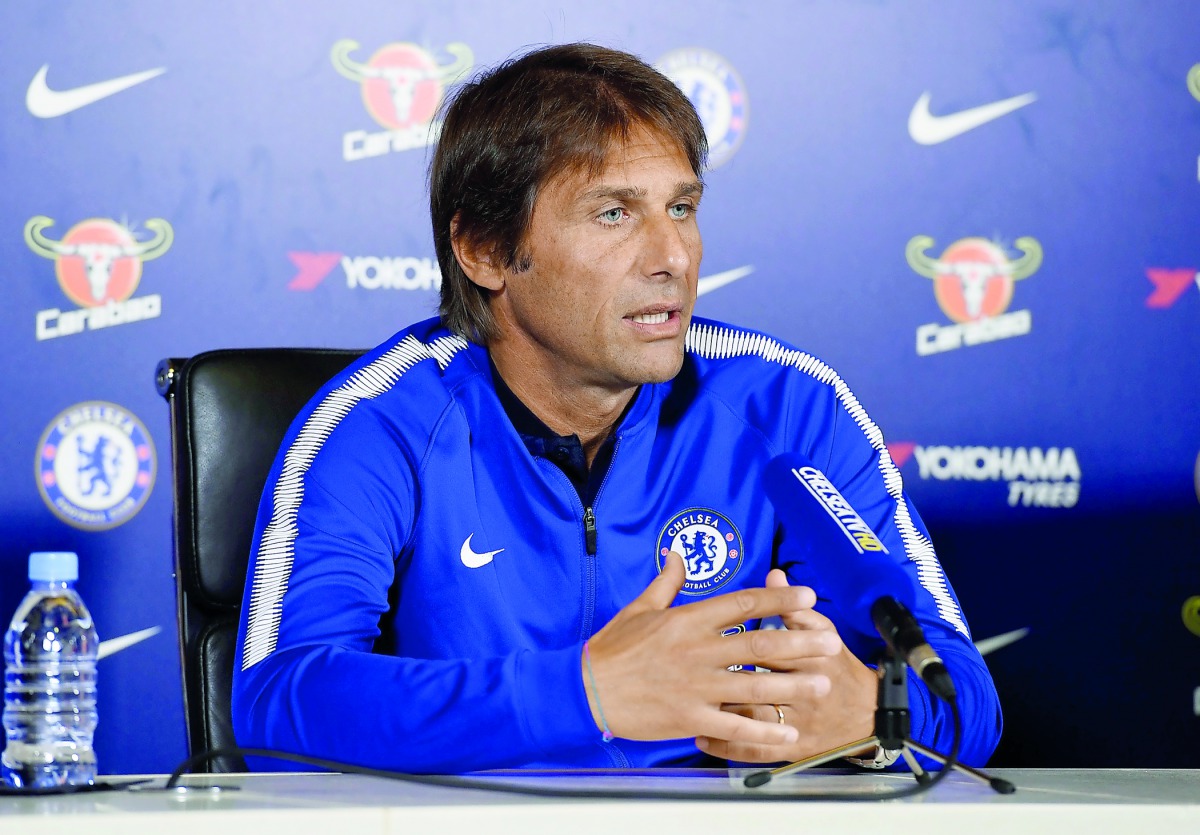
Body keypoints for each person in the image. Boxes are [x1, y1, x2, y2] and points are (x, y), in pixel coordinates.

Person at [232, 43, 1001, 773]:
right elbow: (277, 701)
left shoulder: (791, 405)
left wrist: (872, 717)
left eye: (682, 207)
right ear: (485, 251)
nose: (673, 257)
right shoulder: (379, 423)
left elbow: (964, 695)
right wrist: (585, 691)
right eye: (614, 213)